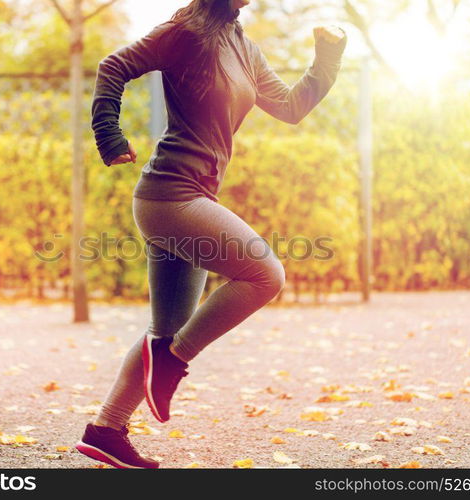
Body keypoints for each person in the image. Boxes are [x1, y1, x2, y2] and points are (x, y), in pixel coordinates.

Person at [75, 0, 347, 469]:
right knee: (266, 274)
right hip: (170, 197)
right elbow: (113, 65)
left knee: (165, 332)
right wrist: (109, 135)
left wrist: (328, 56)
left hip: (191, 197)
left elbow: (290, 106)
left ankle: (105, 430)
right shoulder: (186, 31)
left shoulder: (245, 48)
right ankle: (172, 362)